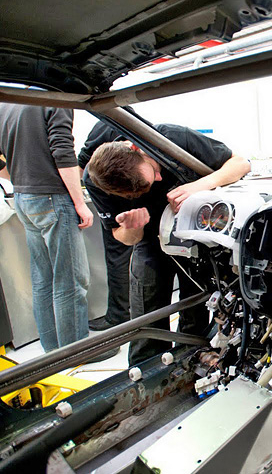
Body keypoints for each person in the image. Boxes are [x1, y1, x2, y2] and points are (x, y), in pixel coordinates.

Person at [85, 124, 250, 365]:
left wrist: (197, 186)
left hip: (196, 242)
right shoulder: (96, 180)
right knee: (146, 320)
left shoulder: (171, 139)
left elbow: (241, 164)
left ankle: (192, 364)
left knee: (194, 313)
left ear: (136, 148)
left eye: (154, 170)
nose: (160, 178)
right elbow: (124, 237)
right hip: (150, 244)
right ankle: (147, 373)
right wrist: (132, 227)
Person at [0, 105, 100, 354]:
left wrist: (21, 178)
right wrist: (79, 203)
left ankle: (52, 350)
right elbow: (63, 153)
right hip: (53, 198)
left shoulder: (3, 109)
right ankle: (76, 353)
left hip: (24, 199)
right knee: (70, 280)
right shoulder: (53, 101)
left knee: (43, 278)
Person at [78, 120, 132, 331]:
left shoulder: (105, 123)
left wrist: (76, 199)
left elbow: (83, 164)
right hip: (128, 191)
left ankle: (118, 316)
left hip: (115, 195)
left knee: (117, 254)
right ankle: (128, 313)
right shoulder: (130, 120)